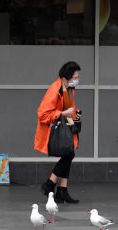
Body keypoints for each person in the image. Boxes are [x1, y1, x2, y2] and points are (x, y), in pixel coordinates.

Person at [34, 61, 82, 204]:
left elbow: (69, 108)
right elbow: (42, 114)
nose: (77, 79)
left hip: (66, 128)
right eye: (75, 77)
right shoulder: (54, 90)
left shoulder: (69, 89)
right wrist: (62, 113)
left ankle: (62, 190)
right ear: (67, 77)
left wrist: (75, 114)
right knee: (70, 153)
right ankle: (50, 184)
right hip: (54, 131)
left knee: (69, 152)